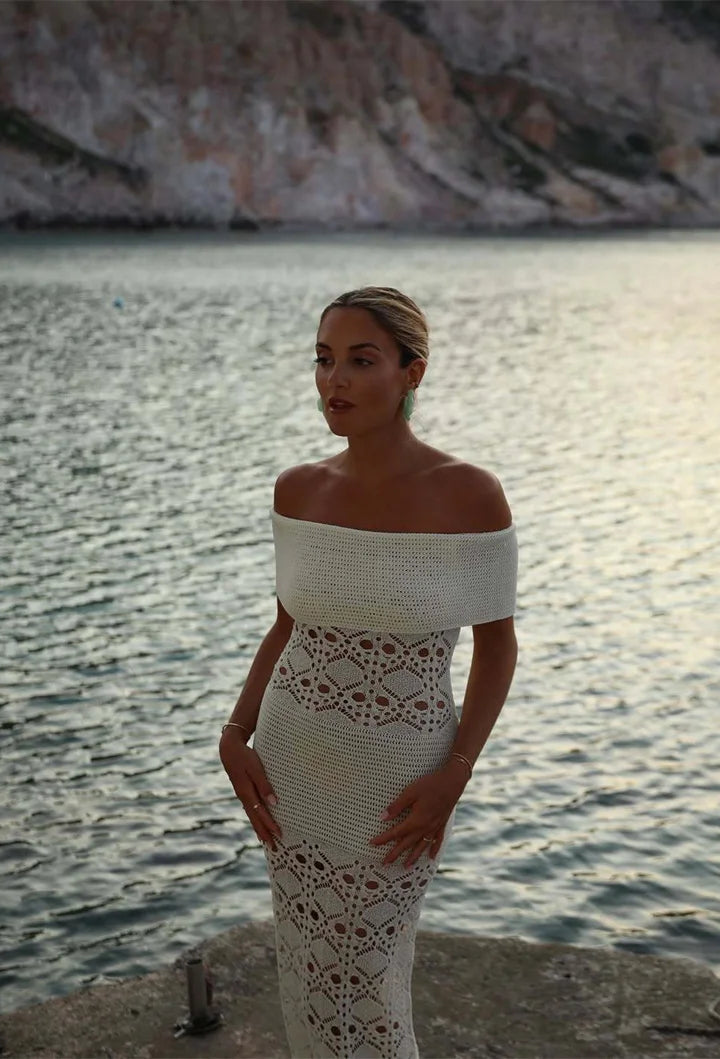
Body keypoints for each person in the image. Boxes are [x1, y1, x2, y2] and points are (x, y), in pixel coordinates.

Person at [219, 286, 518, 1058]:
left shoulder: (469, 493)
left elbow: (497, 645)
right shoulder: (299, 488)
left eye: (361, 360)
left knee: (368, 978)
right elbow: (288, 623)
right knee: (310, 971)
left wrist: (457, 770)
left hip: (399, 780)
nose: (334, 381)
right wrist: (235, 732)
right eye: (324, 360)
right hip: (291, 766)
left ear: (411, 373)